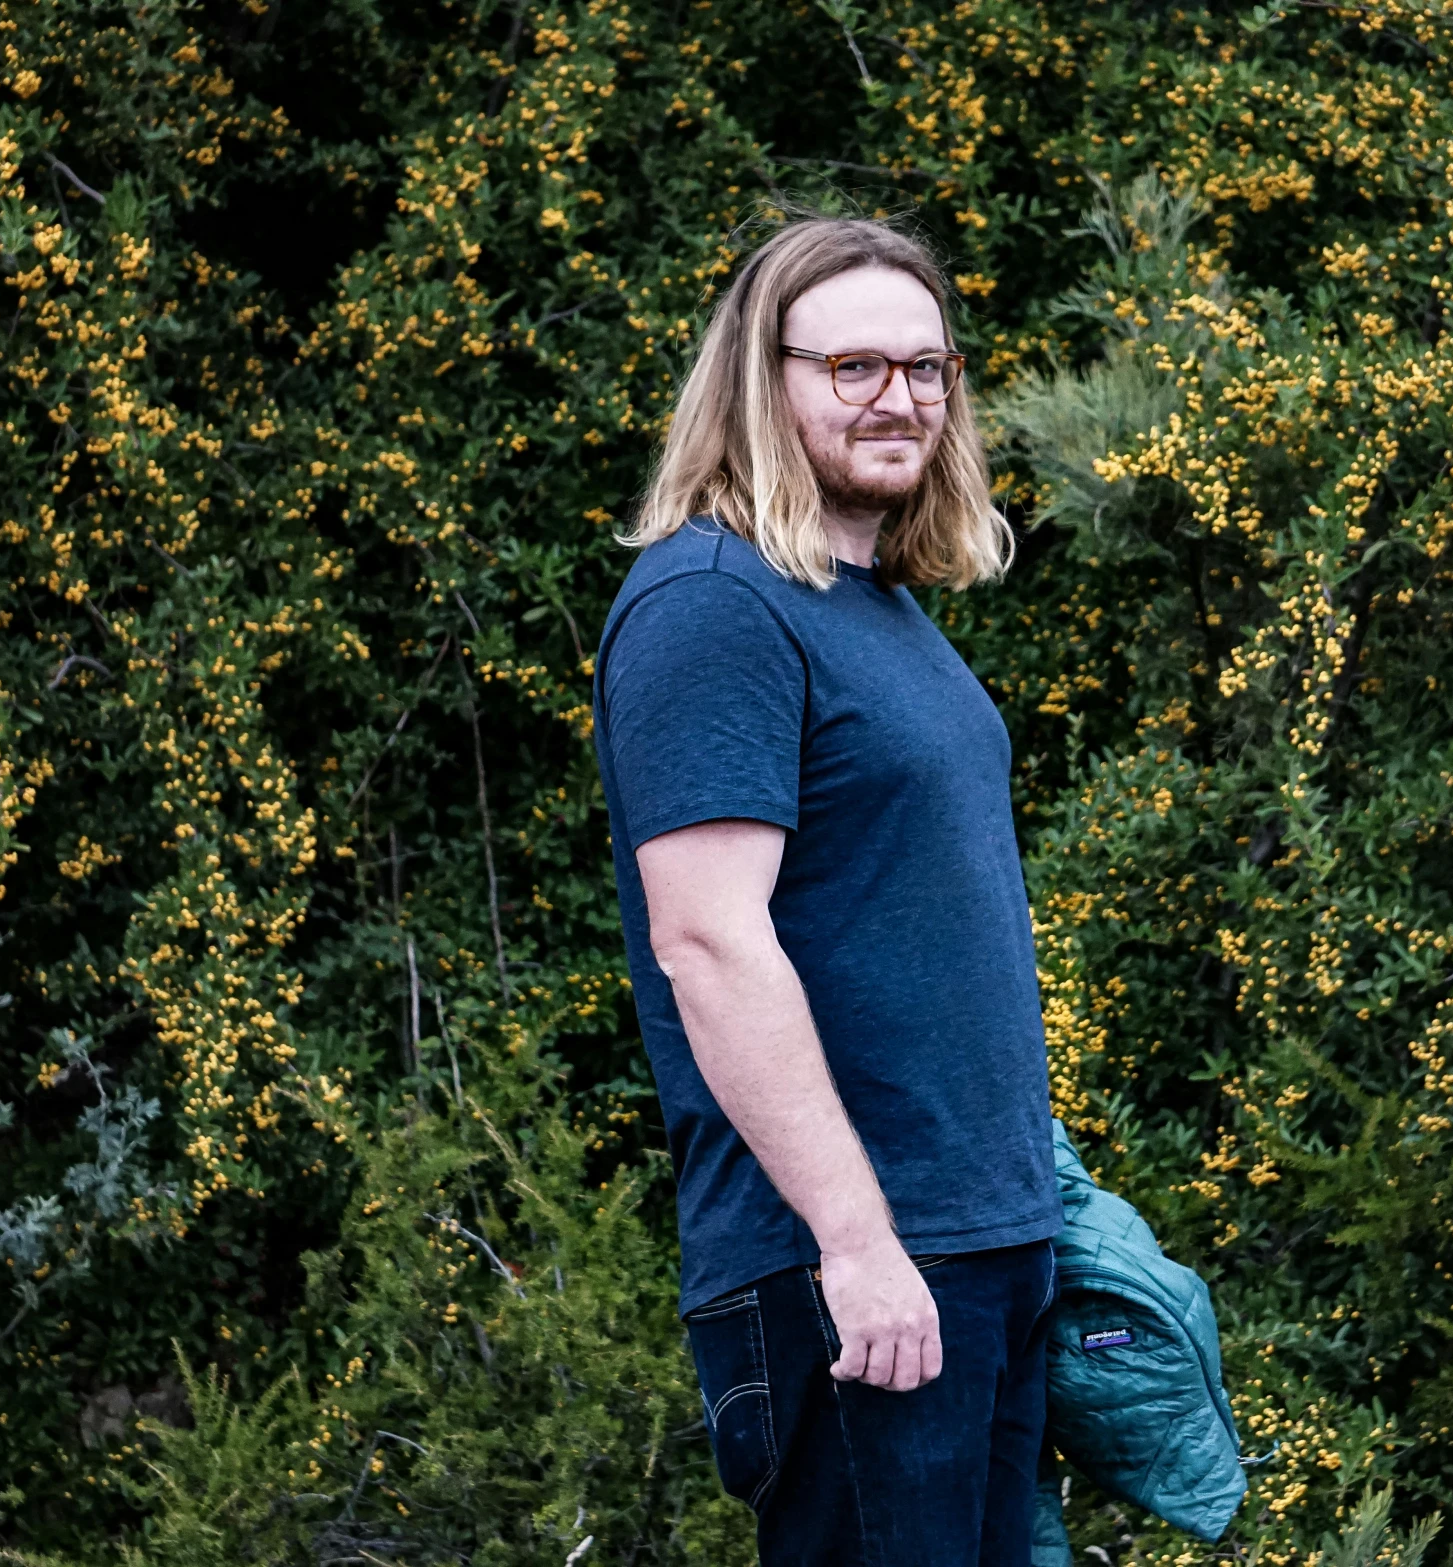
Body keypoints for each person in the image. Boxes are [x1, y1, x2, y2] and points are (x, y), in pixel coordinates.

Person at [591, 217, 1062, 1565]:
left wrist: (1042, 1202)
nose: (899, 397)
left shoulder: (876, 608)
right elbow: (708, 941)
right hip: (849, 1268)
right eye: (852, 363)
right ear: (762, 374)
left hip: (975, 1246)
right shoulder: (712, 603)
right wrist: (857, 1245)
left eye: (927, 367)